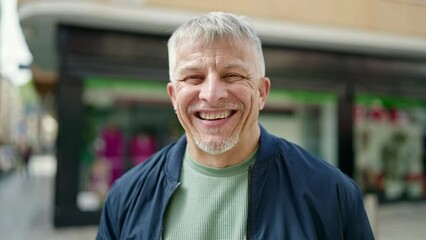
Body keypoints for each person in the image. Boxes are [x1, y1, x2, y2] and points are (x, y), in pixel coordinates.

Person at [96, 12, 374, 239]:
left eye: (232, 75)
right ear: (173, 96)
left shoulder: (330, 194)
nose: (212, 94)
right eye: (193, 77)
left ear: (262, 92)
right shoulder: (127, 196)